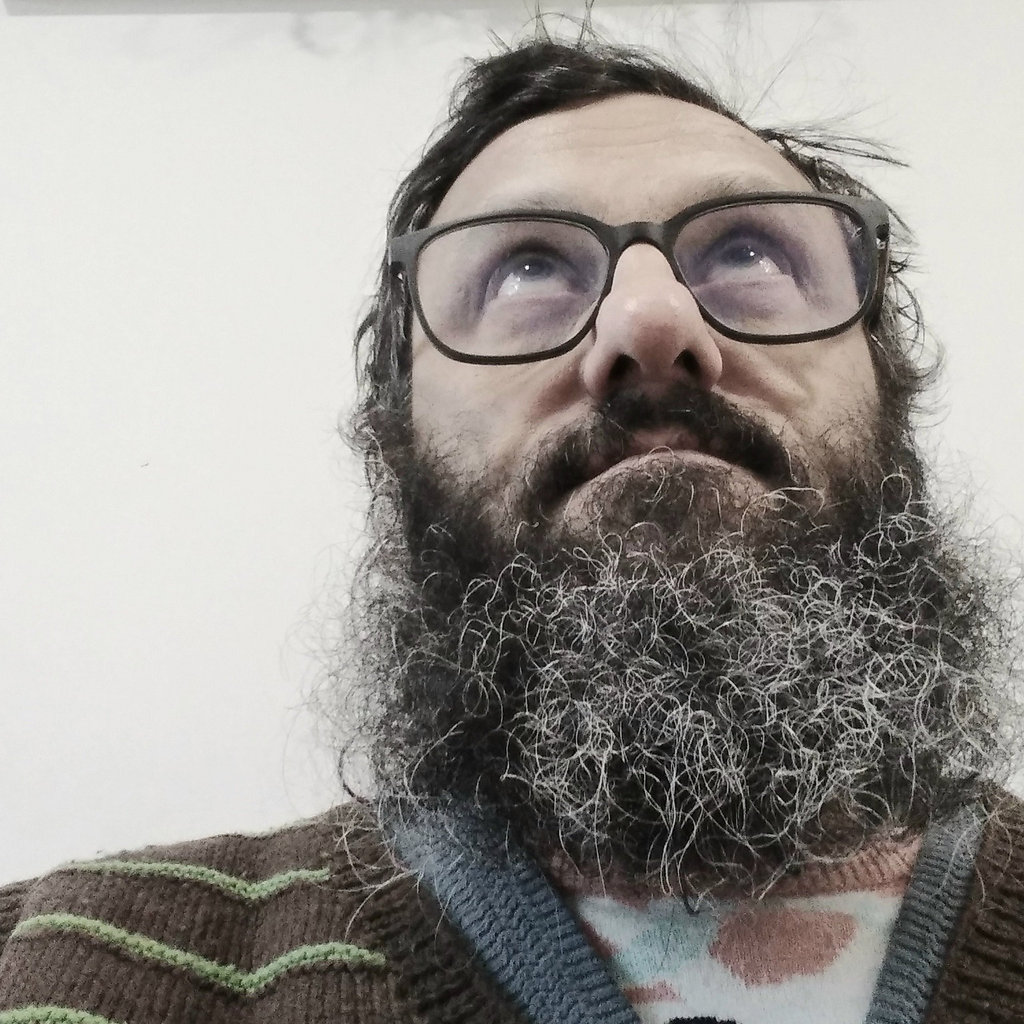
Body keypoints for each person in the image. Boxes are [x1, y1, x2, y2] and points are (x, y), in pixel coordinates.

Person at [2, 30, 1023, 1024]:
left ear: (886, 387)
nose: (650, 324)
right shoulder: (52, 959)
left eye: (748, 251)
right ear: (396, 437)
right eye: (528, 271)